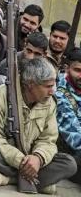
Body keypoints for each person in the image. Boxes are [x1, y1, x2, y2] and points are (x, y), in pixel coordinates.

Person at [0, 57, 76, 193]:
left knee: (69, 164)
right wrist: (20, 160)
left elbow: (48, 140)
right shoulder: (2, 95)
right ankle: (38, 181)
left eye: (52, 86)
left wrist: (38, 158)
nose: (52, 91)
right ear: (30, 84)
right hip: (7, 155)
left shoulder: (49, 102)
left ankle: (9, 179)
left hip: (33, 158)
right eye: (47, 86)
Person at [55, 48, 81, 184]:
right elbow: (75, 137)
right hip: (69, 155)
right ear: (66, 68)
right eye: (78, 70)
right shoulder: (59, 94)